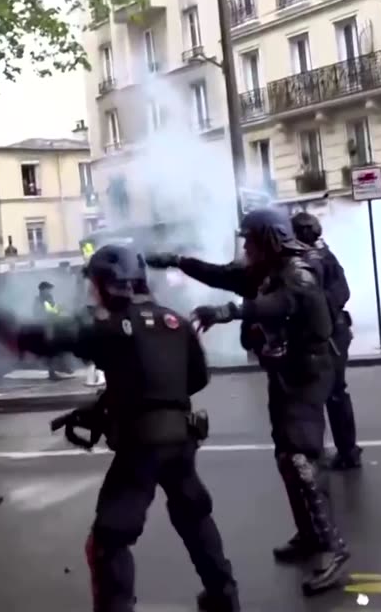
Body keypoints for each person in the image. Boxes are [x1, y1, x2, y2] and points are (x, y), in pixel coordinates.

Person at [0, 245, 240, 612]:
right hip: (182, 438)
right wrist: (113, 401)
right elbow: (195, 379)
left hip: (142, 446)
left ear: (108, 284)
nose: (92, 292)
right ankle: (224, 597)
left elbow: (52, 339)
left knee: (110, 539)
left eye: (94, 284)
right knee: (193, 515)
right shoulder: (175, 322)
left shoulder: (109, 325)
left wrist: (5, 330)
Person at [148, 208, 349, 596]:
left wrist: (229, 311)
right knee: (286, 457)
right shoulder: (266, 269)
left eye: (249, 240)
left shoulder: (298, 272)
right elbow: (223, 274)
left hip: (309, 373)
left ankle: (332, 548)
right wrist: (177, 261)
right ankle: (308, 535)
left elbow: (279, 305)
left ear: (267, 239)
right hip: (285, 371)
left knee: (302, 458)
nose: (244, 247)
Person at [291, 211, 362, 470]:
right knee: (335, 393)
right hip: (336, 332)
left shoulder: (312, 260)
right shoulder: (326, 255)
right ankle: (347, 450)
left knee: (319, 395)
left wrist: (319, 314)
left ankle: (328, 452)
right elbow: (342, 291)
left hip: (328, 335)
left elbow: (336, 293)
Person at [35, 281, 75, 381]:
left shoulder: (48, 298)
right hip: (46, 327)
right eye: (48, 289)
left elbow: (53, 310)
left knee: (58, 348)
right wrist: (60, 308)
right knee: (51, 351)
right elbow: (49, 311)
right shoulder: (40, 299)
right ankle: (53, 372)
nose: (50, 291)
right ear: (43, 290)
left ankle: (61, 368)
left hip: (52, 325)